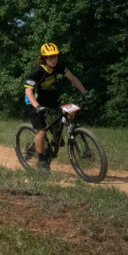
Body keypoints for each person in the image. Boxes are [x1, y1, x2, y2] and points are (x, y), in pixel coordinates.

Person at [24, 43, 89, 172]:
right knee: (41, 131)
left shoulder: (58, 66)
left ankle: (57, 135)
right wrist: (37, 106)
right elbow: (28, 92)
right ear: (43, 59)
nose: (53, 60)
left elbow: (73, 79)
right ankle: (41, 160)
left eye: (55, 56)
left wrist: (85, 93)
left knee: (71, 110)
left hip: (47, 95)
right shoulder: (37, 71)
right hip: (33, 99)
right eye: (50, 57)